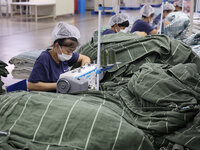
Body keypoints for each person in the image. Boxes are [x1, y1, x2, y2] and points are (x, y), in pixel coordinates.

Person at [27, 22, 91, 92]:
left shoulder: (64, 57)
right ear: (57, 46)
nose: (70, 54)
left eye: (72, 51)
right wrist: (62, 84)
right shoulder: (44, 59)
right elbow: (31, 85)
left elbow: (85, 58)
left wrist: (84, 69)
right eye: (68, 51)